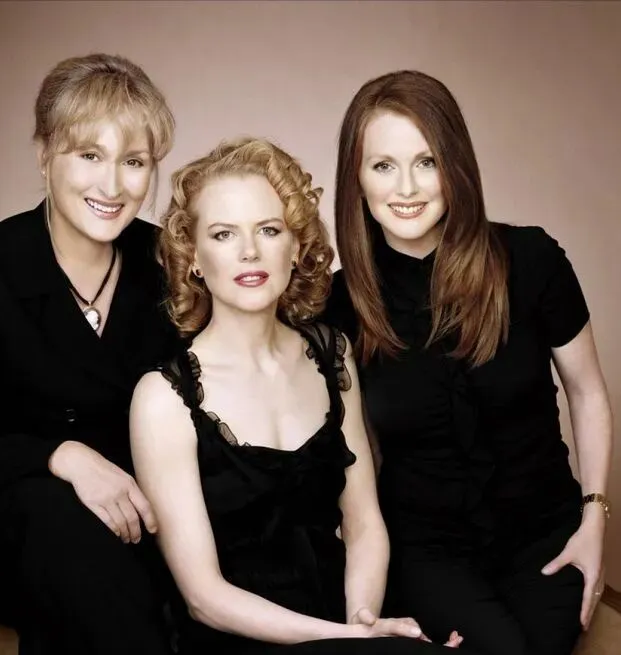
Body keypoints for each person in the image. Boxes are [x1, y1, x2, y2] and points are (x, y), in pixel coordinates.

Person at [129, 137, 472, 655]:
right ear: (193, 257)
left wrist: (362, 621)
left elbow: (363, 523)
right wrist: (348, 640)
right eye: (223, 234)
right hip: (238, 640)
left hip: (342, 619)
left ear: (296, 247)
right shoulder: (162, 398)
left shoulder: (332, 354)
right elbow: (203, 598)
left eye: (269, 230)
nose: (250, 251)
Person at [323, 70, 613, 655]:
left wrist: (594, 519)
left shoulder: (531, 259)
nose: (406, 187)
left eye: (426, 162)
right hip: (427, 551)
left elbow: (587, 393)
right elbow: (353, 456)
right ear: (356, 177)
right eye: (383, 165)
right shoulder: (339, 303)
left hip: (545, 536)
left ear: (455, 166)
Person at [0, 53, 180, 654]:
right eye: (89, 155)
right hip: (0, 521)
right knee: (57, 521)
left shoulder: (168, 264)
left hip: (138, 527)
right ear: (43, 155)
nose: (112, 187)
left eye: (133, 162)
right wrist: (63, 457)